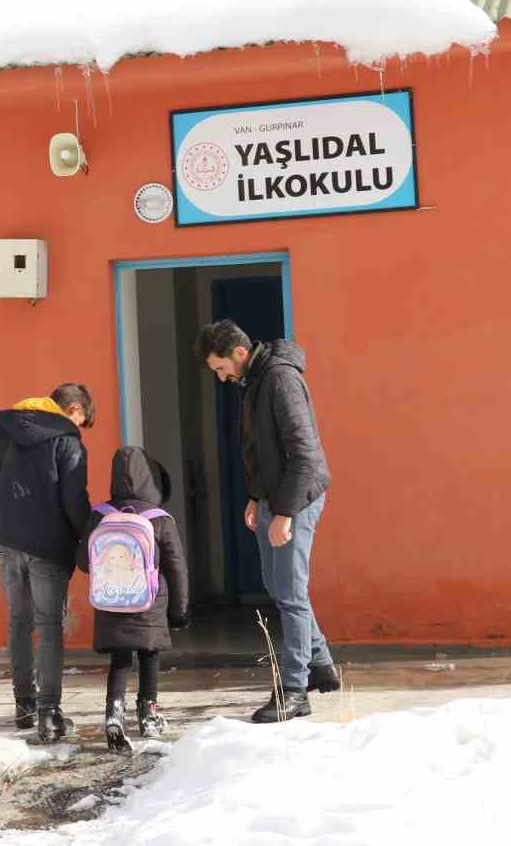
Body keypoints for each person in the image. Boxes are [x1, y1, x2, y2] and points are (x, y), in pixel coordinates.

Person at [194, 319, 338, 723]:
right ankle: (321, 664)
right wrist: (257, 498)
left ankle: (294, 690)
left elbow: (303, 452)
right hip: (273, 498)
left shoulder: (280, 380)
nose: (223, 378)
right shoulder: (255, 381)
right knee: (279, 586)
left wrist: (286, 513)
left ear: (239, 353)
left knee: (290, 594)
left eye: (221, 369)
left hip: (297, 498)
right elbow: (260, 448)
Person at [0, 384, 95, 742]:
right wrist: (93, 538)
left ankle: (24, 707)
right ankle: (49, 713)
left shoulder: (0, 429)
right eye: (82, 419)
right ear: (73, 408)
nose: (79, 426)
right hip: (47, 544)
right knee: (49, 626)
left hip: (6, 541)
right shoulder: (67, 439)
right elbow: (74, 499)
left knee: (19, 621)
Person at [78, 446, 189, 754]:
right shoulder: (159, 518)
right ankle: (148, 716)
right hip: (151, 601)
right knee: (149, 654)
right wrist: (179, 610)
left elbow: (85, 562)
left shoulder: (100, 514)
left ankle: (114, 714)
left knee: (120, 658)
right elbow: (176, 566)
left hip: (111, 600)